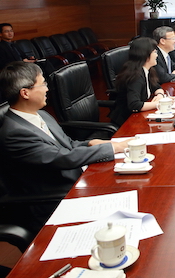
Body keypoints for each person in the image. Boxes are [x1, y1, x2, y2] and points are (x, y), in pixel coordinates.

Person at [0, 61, 131, 231]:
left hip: (76, 178)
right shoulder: (14, 133)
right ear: (25, 93)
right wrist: (114, 148)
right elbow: (62, 158)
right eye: (43, 84)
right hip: (55, 198)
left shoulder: (41, 114)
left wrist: (90, 143)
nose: (47, 89)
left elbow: (67, 144)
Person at [109, 37, 168, 126]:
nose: (157, 55)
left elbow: (156, 86)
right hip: (127, 122)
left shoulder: (147, 70)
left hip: (139, 116)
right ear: (145, 55)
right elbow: (134, 105)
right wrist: (159, 103)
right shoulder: (135, 76)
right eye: (155, 52)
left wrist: (160, 95)